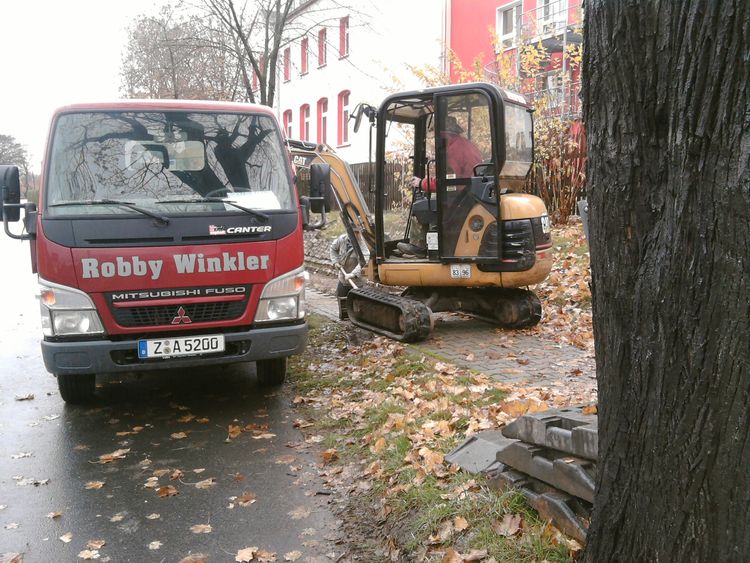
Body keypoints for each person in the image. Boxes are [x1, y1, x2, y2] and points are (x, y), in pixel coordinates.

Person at [398, 115, 483, 257]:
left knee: (421, 207)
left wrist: (422, 183)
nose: (434, 139)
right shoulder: (467, 145)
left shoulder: (452, 150)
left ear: (443, 133)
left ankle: (419, 247)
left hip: (459, 197)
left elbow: (446, 182)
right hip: (469, 194)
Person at [329, 233, 369, 319]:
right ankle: (344, 317)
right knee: (341, 296)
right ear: (349, 232)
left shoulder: (362, 244)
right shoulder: (342, 239)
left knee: (357, 301)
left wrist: (353, 274)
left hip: (357, 280)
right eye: (355, 233)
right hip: (343, 277)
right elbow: (333, 249)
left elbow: (364, 260)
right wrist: (335, 262)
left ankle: (357, 318)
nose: (358, 235)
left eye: (358, 233)